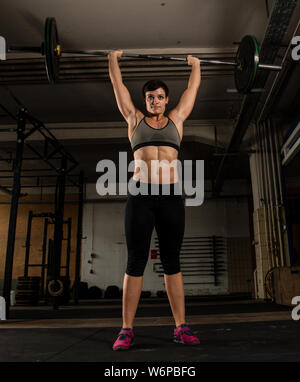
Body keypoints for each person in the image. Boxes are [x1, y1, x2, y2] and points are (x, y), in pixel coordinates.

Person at [108, 50, 201, 351]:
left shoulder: (177, 118)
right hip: (141, 195)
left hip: (172, 196)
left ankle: (181, 327)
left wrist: (196, 65)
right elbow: (117, 86)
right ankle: (125, 330)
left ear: (166, 99)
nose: (155, 101)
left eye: (159, 97)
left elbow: (192, 89)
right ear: (145, 100)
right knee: (135, 261)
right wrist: (113, 58)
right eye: (150, 97)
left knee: (172, 262)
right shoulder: (134, 119)